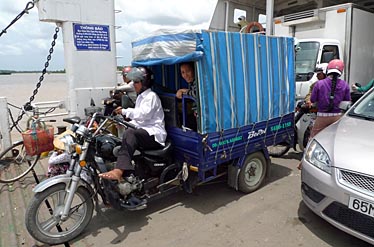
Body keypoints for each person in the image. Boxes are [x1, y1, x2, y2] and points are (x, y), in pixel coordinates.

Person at [99, 66, 167, 181]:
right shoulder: (141, 97)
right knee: (120, 136)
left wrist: (125, 111)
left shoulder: (151, 96)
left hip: (154, 134)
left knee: (130, 133)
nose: (134, 84)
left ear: (144, 82)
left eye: (136, 82)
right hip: (145, 131)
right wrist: (124, 122)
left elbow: (143, 115)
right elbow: (139, 121)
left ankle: (119, 170)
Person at [309, 59, 351, 138]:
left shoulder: (319, 84)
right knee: (336, 139)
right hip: (337, 117)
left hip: (322, 117)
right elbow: (347, 102)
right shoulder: (345, 85)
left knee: (314, 139)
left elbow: (312, 99)